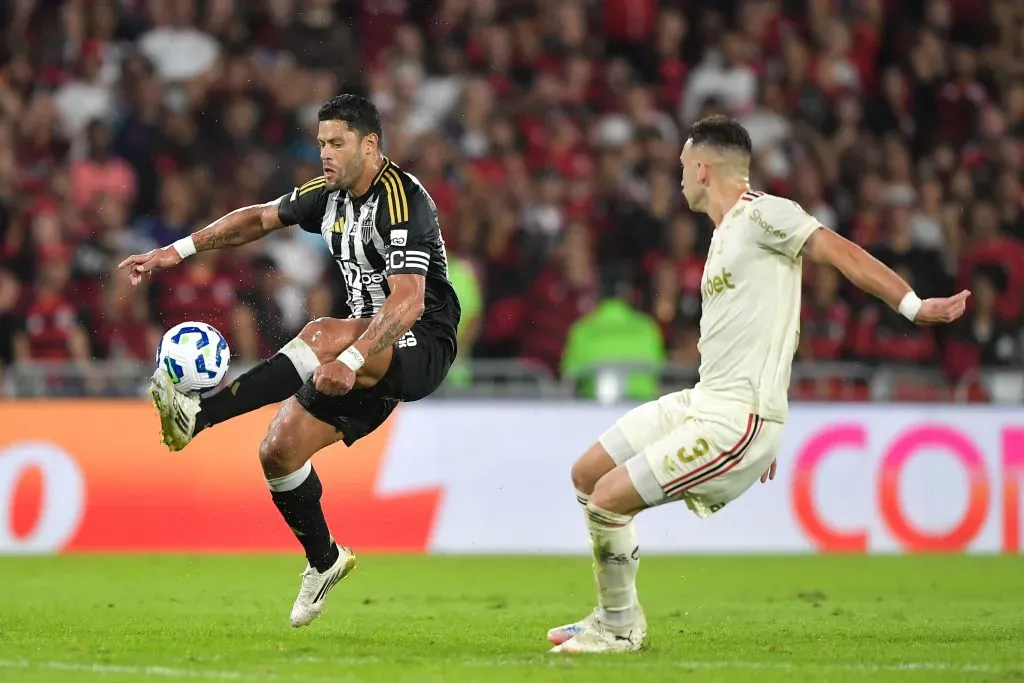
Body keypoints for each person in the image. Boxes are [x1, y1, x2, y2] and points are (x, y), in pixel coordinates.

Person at [547, 115, 970, 654]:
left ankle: (620, 628)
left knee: (609, 500)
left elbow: (840, 251)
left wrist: (914, 306)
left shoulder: (765, 214)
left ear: (702, 168)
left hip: (736, 417)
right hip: (709, 403)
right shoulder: (723, 237)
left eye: (681, 167)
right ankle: (611, 615)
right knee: (588, 474)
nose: (678, 178)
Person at [117, 94, 460, 628]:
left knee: (321, 330)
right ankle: (324, 561)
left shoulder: (402, 201)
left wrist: (352, 354)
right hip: (359, 350)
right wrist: (176, 251)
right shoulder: (328, 195)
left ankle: (198, 417)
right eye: (321, 142)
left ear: (369, 145)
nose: (324, 153)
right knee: (278, 452)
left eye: (337, 143)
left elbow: (410, 301)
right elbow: (257, 220)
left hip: (420, 342)